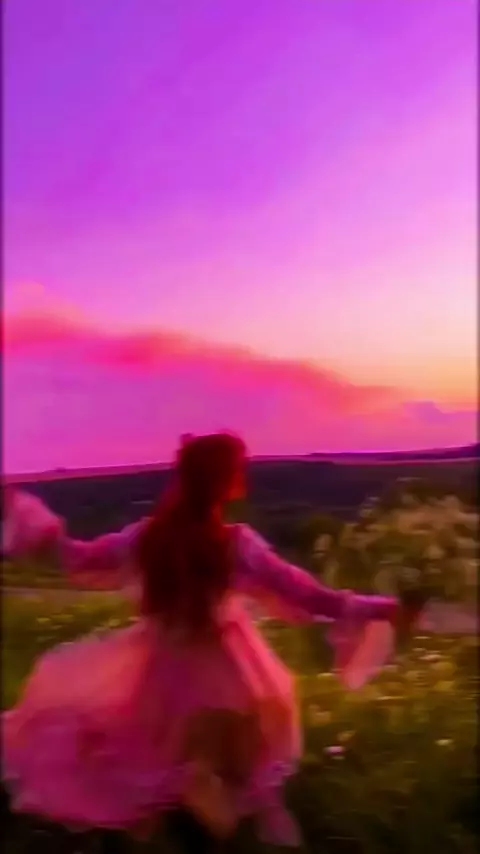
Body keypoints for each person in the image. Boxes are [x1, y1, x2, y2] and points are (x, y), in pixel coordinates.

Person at [2, 433, 406, 848]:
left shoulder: (150, 537)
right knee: (231, 774)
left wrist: (31, 521)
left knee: (174, 770)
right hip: (231, 671)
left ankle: (197, 824)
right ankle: (219, 827)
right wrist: (381, 607)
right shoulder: (235, 544)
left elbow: (82, 558)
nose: (243, 474)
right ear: (226, 480)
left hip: (164, 672)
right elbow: (307, 595)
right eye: (238, 468)